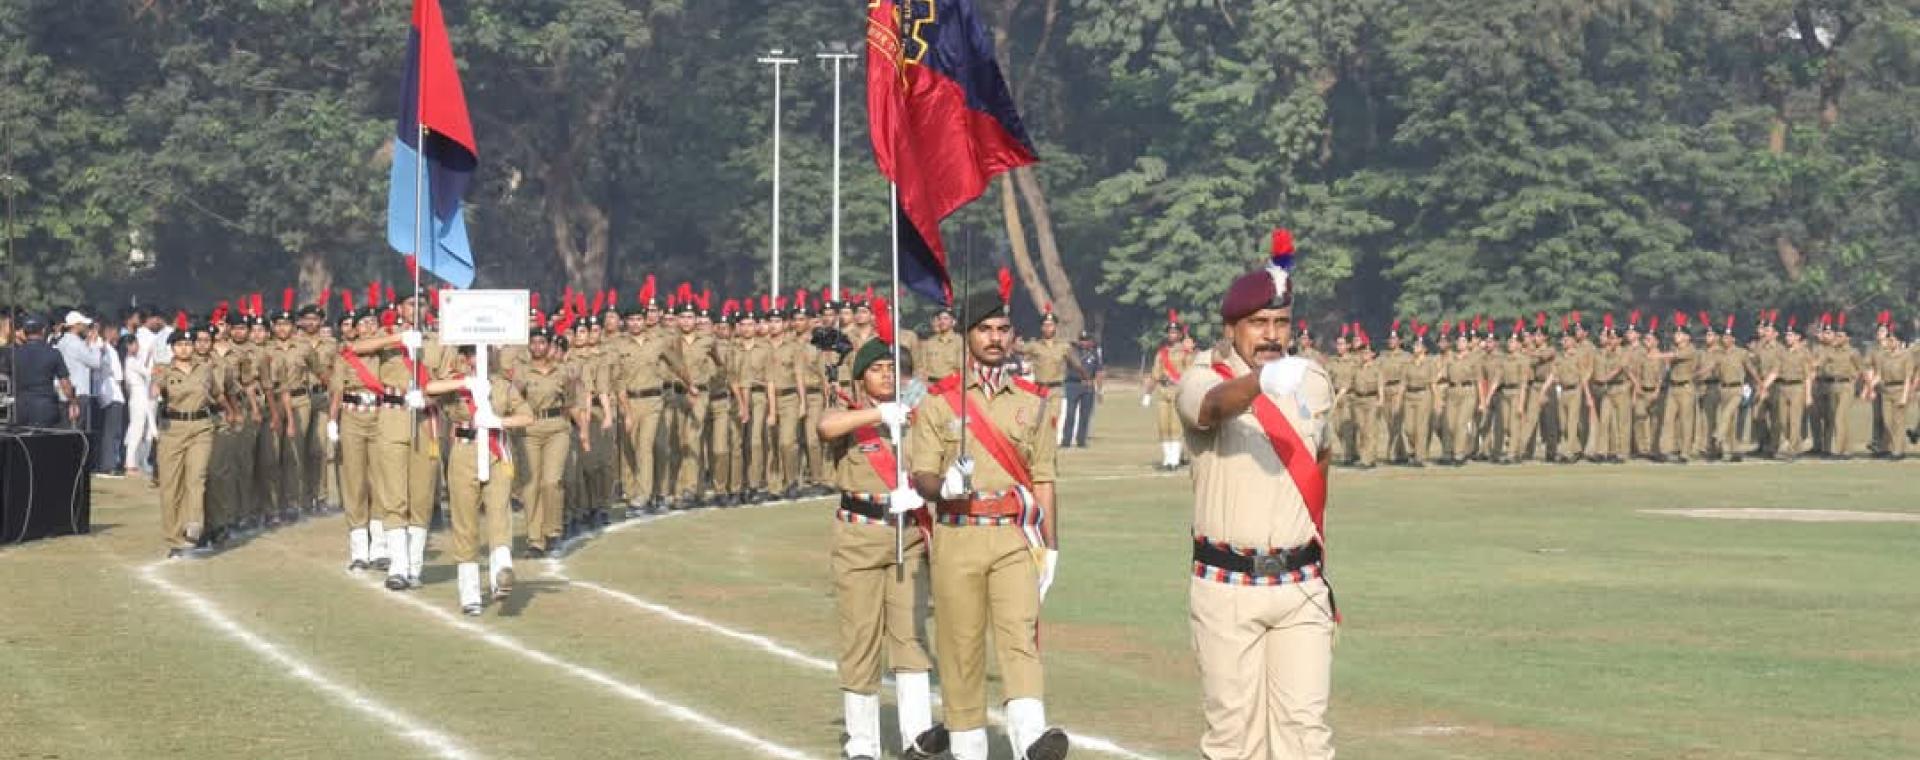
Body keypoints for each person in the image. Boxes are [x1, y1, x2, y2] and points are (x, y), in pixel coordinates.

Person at [1176, 231, 1337, 760]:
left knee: (1307, 739)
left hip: (1301, 586)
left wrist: (1317, 541)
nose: (1272, 334)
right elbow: (1212, 408)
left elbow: (1322, 459)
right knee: (1235, 741)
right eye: (1258, 324)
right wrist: (1263, 383)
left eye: (1281, 323)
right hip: (1229, 585)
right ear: (1232, 329)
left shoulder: (1313, 379)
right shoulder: (1204, 375)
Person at [908, 282, 1067, 760]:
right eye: (985, 330)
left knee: (1020, 637)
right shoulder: (940, 401)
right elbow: (921, 476)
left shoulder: (1032, 401)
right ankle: (967, 746)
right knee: (961, 648)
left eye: (1002, 330)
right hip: (959, 535)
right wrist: (944, 488)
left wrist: (1051, 546)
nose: (996, 338)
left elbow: (1044, 480)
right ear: (966, 337)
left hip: (1014, 536)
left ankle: (1029, 742)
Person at [814, 336, 941, 760]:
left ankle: (917, 736)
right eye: (877, 369)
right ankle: (862, 742)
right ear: (861, 377)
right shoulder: (852, 417)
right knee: (861, 637)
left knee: (910, 636)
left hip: (906, 533)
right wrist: (877, 413)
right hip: (860, 536)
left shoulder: (916, 415)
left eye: (892, 368)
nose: (887, 374)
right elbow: (824, 427)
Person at [424, 346, 534, 615]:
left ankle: (501, 573)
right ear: (465, 357)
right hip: (463, 450)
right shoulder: (457, 383)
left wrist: (499, 421)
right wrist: (464, 382)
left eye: (483, 352)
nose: (479, 358)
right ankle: (470, 593)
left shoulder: (502, 385)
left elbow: (527, 416)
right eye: (472, 353)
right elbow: (429, 389)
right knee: (465, 521)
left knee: (499, 512)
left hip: (496, 450)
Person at [155, 318, 232, 558]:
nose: (185, 349)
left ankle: (194, 523)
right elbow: (156, 388)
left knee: (197, 476)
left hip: (201, 426)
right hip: (173, 429)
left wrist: (230, 412)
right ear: (172, 348)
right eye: (179, 345)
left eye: (188, 344)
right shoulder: (163, 370)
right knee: (171, 485)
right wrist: (156, 390)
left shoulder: (206, 369)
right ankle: (175, 539)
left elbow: (218, 394)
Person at [7, 317, 76, 427]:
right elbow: (65, 384)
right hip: (46, 407)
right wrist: (73, 403)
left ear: (24, 332)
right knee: (44, 442)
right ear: (43, 331)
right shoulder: (53, 353)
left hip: (19, 408)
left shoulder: (13, 354)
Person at [1148, 314, 1194, 470]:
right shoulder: (1162, 353)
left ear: (1180, 334)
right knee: (1163, 427)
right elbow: (1155, 373)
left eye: (1175, 332)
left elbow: (1190, 372)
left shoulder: (1186, 352)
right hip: (1163, 392)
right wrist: (1148, 394)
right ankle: (1167, 459)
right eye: (1170, 332)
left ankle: (1174, 460)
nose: (1172, 335)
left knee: (1176, 427)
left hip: (1177, 393)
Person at [55, 312, 103, 442]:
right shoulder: (76, 344)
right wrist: (93, 343)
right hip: (78, 393)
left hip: (63, 392)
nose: (86, 328)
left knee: (64, 430)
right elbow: (96, 362)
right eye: (84, 325)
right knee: (77, 432)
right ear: (76, 326)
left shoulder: (61, 342)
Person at [1060, 331, 1103, 448]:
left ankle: (1081, 440)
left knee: (1085, 415)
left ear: (1090, 341)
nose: (1084, 342)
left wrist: (1099, 390)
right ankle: (1066, 440)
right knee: (1070, 414)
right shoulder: (1072, 352)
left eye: (1086, 340)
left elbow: (1099, 372)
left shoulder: (1094, 354)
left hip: (1088, 386)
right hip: (1073, 384)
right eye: (1082, 340)